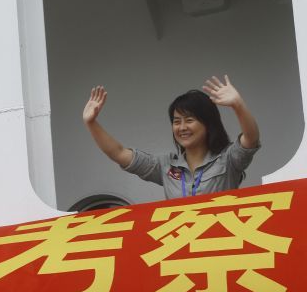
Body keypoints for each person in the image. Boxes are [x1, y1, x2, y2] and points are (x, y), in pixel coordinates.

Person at [82, 75, 260, 200]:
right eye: (176, 121)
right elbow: (119, 153)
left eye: (189, 120)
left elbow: (250, 139)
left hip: (219, 245)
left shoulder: (228, 159)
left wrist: (238, 105)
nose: (182, 127)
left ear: (208, 124)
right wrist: (91, 123)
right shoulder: (166, 166)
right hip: (179, 246)